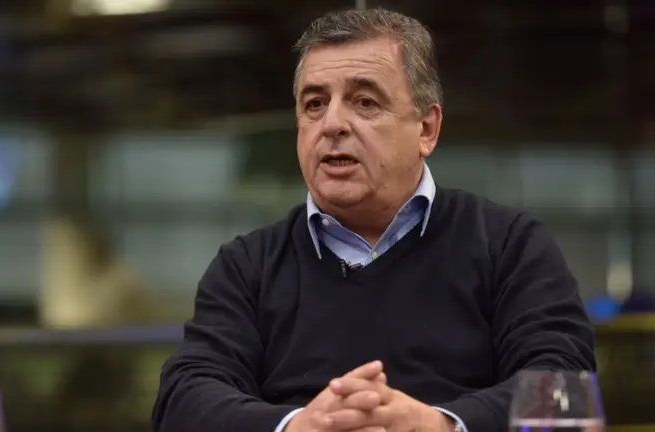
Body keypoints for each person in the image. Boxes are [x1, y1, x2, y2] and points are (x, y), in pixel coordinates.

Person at [152, 7, 595, 432]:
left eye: (364, 102)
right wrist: (296, 426)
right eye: (314, 104)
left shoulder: (509, 245)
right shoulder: (247, 267)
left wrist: (441, 425)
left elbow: (565, 393)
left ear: (426, 129)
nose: (332, 124)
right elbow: (183, 400)